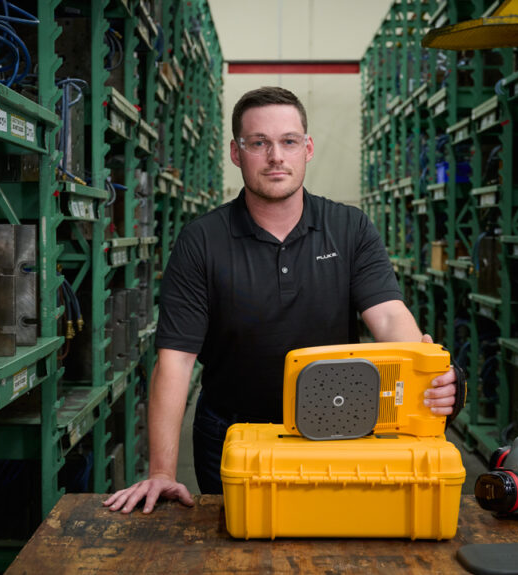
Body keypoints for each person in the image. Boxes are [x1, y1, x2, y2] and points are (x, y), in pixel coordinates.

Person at [103, 86, 462, 514]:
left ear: (307, 148)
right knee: (233, 548)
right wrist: (162, 472)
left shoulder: (349, 228)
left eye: (288, 142)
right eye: (259, 143)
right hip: (230, 435)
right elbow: (176, 359)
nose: (276, 156)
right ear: (237, 153)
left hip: (336, 426)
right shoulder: (201, 240)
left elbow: (386, 316)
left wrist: (428, 372)